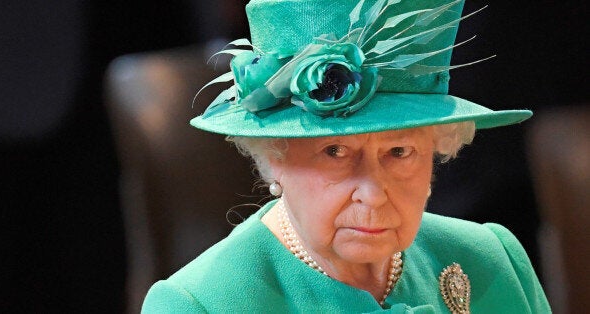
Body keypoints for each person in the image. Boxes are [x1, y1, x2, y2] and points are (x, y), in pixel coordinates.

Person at [142, 0, 550, 312]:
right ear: (274, 157)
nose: (372, 193)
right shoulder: (199, 303)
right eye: (335, 151)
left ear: (435, 151)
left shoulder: (493, 259)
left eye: (399, 150)